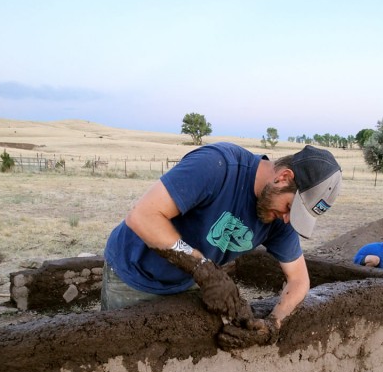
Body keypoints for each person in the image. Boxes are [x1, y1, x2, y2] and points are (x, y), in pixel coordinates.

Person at [101, 141, 342, 345]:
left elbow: (299, 280)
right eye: (290, 208)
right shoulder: (217, 167)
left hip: (187, 284)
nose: (288, 219)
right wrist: (205, 271)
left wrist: (272, 324)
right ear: (283, 177)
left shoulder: (279, 218)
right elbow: (142, 216)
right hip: (133, 275)